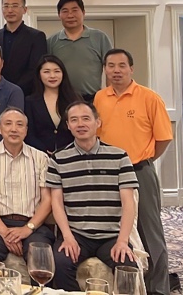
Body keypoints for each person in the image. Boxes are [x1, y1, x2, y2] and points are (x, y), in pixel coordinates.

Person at [95, 49, 172, 295]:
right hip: (108, 173)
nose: (116, 70)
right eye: (111, 66)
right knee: (118, 228)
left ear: (131, 68)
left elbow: (163, 138)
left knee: (149, 231)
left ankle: (158, 288)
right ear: (105, 70)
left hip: (139, 172)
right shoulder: (99, 98)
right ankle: (133, 283)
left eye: (121, 65)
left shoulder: (149, 98)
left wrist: (142, 160)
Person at [47, 102, 138, 291]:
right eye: (74, 120)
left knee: (128, 266)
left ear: (98, 122)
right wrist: (67, 236)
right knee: (60, 262)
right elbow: (57, 203)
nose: (80, 124)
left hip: (111, 235)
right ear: (68, 125)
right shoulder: (58, 159)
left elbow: (129, 204)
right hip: (77, 234)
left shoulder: (119, 157)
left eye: (86, 119)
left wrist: (122, 241)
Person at [0, 108, 55, 263]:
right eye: (8, 124)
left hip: (32, 224)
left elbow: (47, 200)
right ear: (0, 128)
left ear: (26, 130)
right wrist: (5, 232)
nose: (14, 129)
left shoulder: (41, 158)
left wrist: (27, 228)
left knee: (40, 255)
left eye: (19, 124)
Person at [47, 0, 113, 102]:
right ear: (59, 15)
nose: (70, 15)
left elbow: (111, 69)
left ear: (83, 13)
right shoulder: (51, 41)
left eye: (74, 10)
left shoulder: (100, 37)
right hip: (61, 100)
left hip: (92, 99)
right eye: (65, 11)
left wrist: (111, 97)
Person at [0, 0, 48, 95]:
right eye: (6, 6)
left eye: (15, 6)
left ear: (24, 10)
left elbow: (35, 68)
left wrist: (13, 90)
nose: (10, 10)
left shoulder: (36, 37)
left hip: (26, 93)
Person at [24, 55, 81, 155]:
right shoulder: (30, 102)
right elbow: (29, 133)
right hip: (39, 155)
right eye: (46, 72)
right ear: (39, 74)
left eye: (57, 71)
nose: (52, 76)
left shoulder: (74, 99)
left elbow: (80, 128)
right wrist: (43, 150)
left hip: (70, 154)